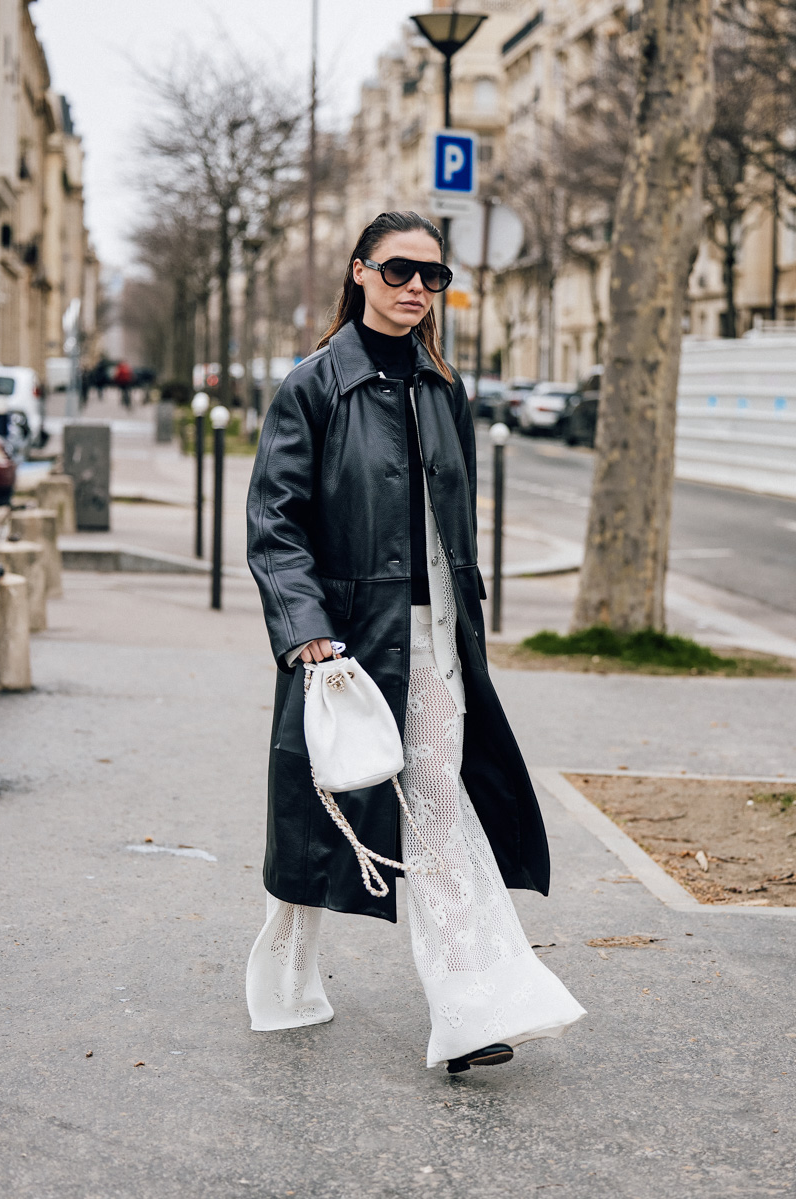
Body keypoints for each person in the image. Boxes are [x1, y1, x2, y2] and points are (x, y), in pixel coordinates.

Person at [245, 211, 585, 1073]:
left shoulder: (443, 387)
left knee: (433, 800)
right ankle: (283, 973)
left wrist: (468, 618)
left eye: (431, 277)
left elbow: (452, 523)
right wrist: (308, 631)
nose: (414, 290)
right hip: (347, 645)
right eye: (398, 271)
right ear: (359, 271)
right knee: (327, 811)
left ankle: (471, 1003)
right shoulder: (315, 385)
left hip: (436, 643)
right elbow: (274, 524)